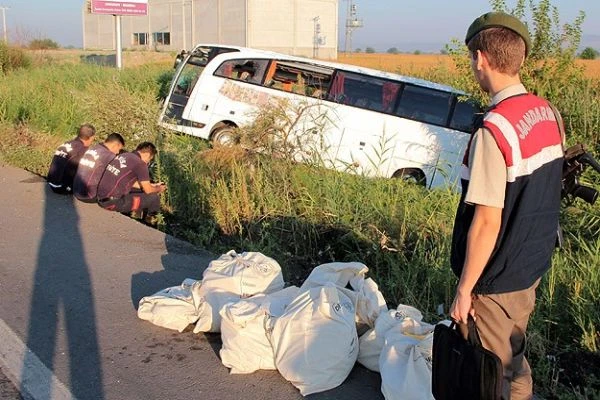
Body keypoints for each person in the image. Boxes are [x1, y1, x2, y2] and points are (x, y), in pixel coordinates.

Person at [449, 12, 564, 400]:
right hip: (531, 263)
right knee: (513, 358)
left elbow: (485, 222)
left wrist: (466, 290)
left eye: (471, 60)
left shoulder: (494, 130)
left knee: (490, 374)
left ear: (481, 58)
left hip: (498, 277)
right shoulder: (548, 113)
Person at [96, 142, 166, 216]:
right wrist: (159, 188)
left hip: (100, 197)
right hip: (111, 203)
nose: (148, 162)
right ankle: (152, 221)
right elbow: (148, 190)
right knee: (154, 198)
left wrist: (152, 185)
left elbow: (128, 182)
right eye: (150, 159)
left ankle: (136, 215)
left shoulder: (124, 155)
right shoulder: (140, 164)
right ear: (147, 155)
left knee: (142, 190)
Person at [73, 132, 126, 203]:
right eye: (119, 149)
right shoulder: (109, 156)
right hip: (88, 196)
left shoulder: (94, 148)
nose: (117, 152)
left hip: (76, 190)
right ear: (116, 145)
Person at [47, 124, 96, 194]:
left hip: (51, 181)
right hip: (61, 187)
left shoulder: (67, 143)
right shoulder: (82, 149)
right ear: (91, 138)